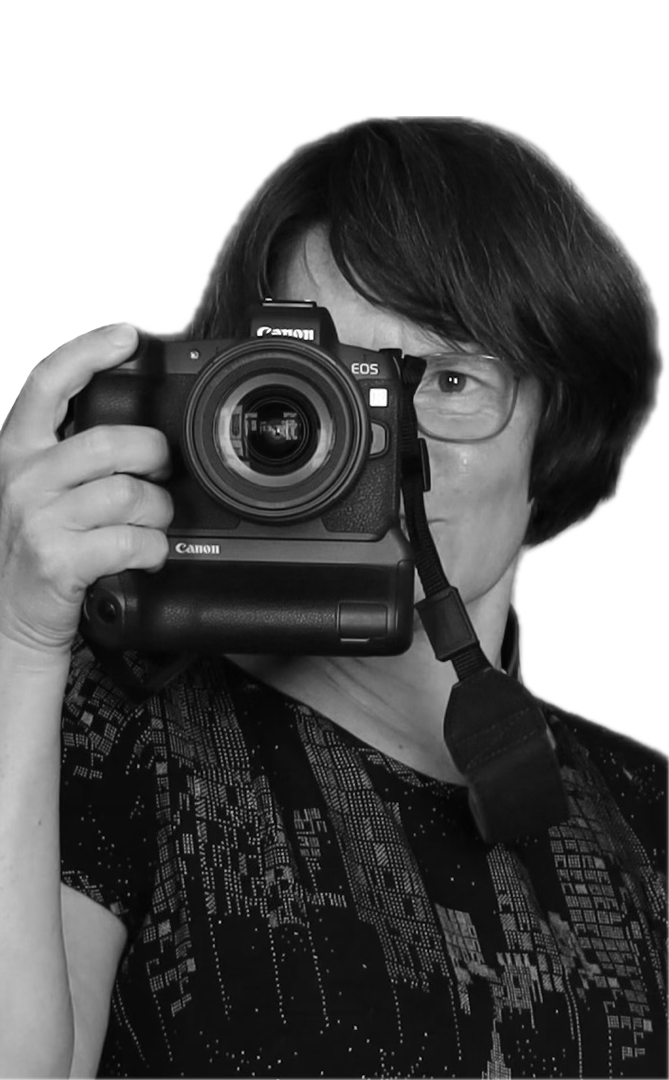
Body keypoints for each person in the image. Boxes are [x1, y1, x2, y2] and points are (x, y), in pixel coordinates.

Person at [0, 118, 665, 1079]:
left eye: (448, 379)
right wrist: (18, 639)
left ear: (554, 433)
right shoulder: (107, 735)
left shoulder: (650, 816)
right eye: (328, 390)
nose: (383, 449)